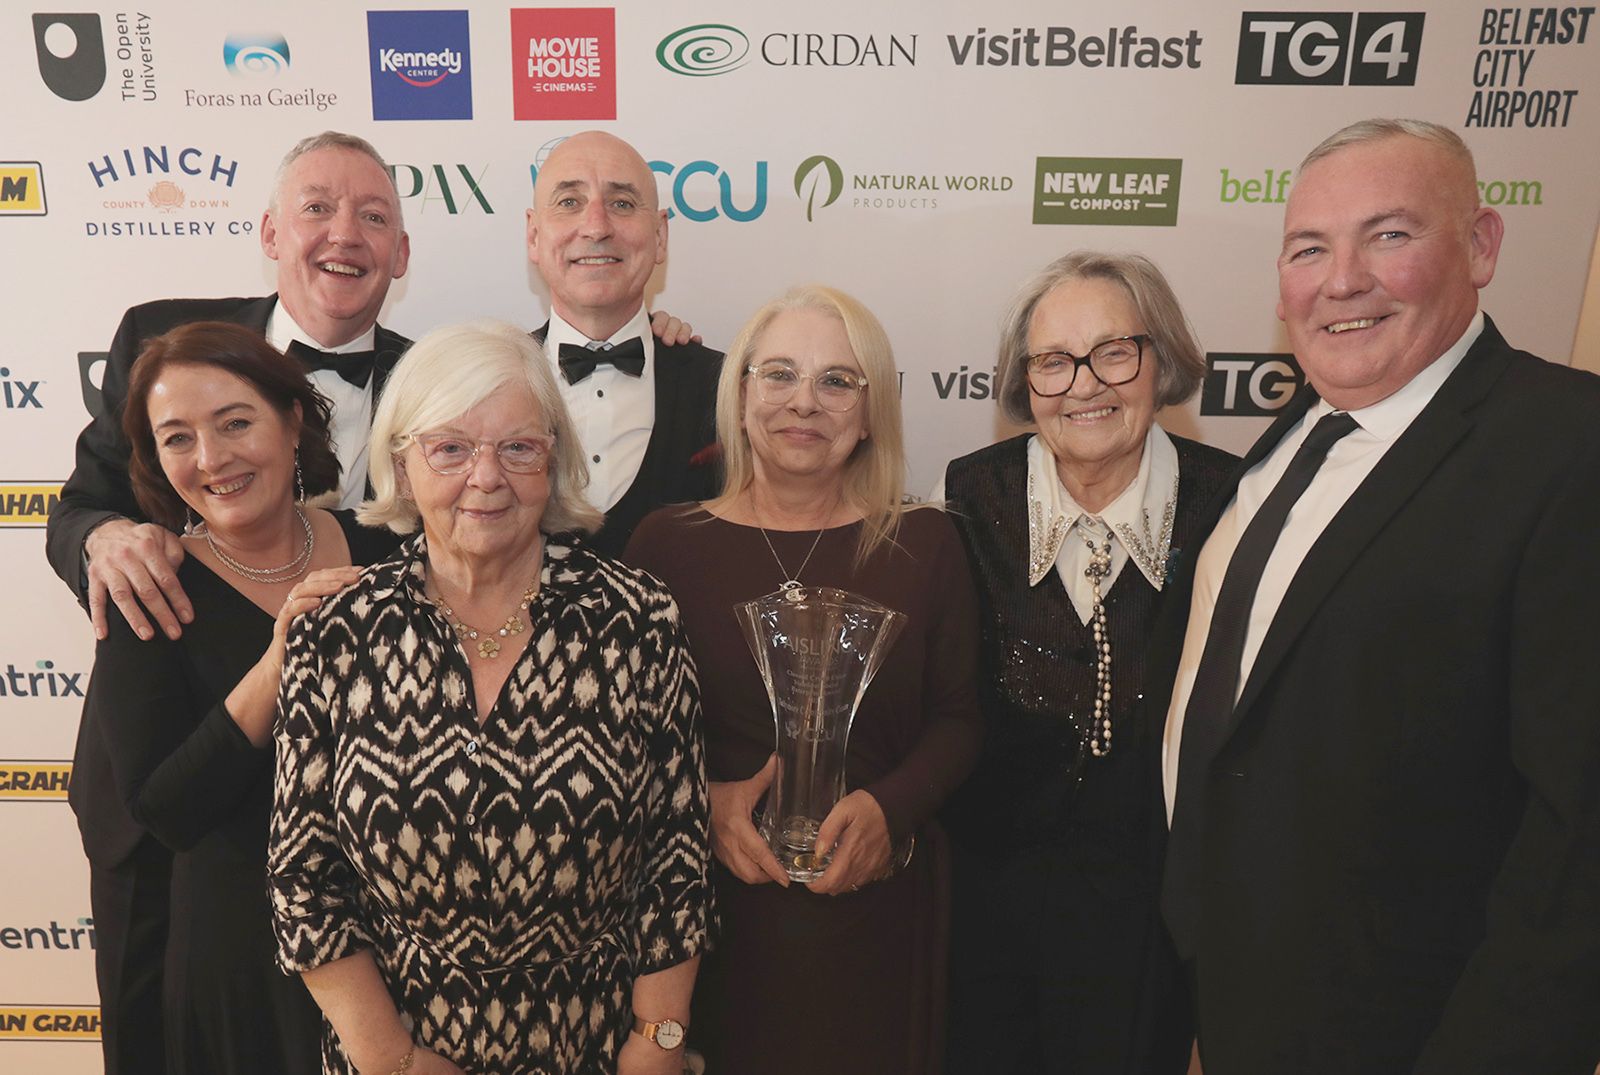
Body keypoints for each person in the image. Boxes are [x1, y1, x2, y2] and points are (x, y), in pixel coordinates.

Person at [1157, 118, 1600, 1073]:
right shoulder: (1299, 430)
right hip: (1243, 1002)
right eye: (1309, 248)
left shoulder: (1569, 450)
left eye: (1389, 235)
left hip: (1413, 1033)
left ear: (1481, 245)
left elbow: (1580, 845)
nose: (1341, 279)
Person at [269, 320, 711, 1075]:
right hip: (390, 1053)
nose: (487, 476)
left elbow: (678, 860)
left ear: (554, 460)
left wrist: (657, 1042)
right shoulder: (337, 633)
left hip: (599, 1051)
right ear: (403, 467)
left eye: (518, 447)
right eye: (450, 447)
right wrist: (397, 1060)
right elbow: (303, 880)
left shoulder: (638, 619)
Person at [625, 285, 982, 1075]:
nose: (804, 403)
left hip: (877, 917)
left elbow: (961, 718)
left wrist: (892, 810)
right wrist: (707, 803)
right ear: (742, 392)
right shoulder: (666, 545)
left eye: (836, 381)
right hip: (709, 928)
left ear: (870, 410)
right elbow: (627, 740)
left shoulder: (925, 540)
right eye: (779, 373)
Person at [74, 321, 399, 1075]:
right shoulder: (148, 592)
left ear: (293, 422)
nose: (211, 458)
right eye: (177, 436)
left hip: (393, 957)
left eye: (235, 423)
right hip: (241, 966)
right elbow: (164, 808)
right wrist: (277, 663)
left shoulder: (386, 553)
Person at [937, 252, 1235, 1074]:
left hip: (1152, 918)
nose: (1083, 384)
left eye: (1114, 351)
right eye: (1053, 361)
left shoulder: (1236, 504)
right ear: (1024, 381)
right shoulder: (962, 495)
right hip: (988, 905)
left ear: (1160, 359)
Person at [527, 131, 722, 557]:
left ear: (660, 237)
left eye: (622, 204)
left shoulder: (728, 389)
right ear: (534, 237)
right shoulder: (487, 381)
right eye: (569, 203)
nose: (596, 227)